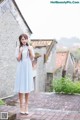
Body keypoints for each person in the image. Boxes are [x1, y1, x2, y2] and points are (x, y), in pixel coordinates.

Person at [14, 34, 35, 114]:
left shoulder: (30, 47)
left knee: (27, 88)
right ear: (20, 40)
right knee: (20, 88)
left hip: (28, 69)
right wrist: (20, 51)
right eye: (22, 39)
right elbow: (18, 59)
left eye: (25, 39)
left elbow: (32, 58)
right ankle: (21, 107)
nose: (24, 41)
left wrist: (30, 51)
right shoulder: (18, 48)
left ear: (27, 40)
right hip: (21, 68)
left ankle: (26, 107)